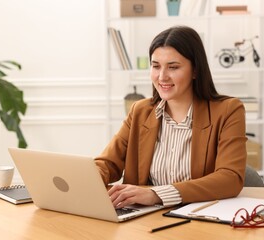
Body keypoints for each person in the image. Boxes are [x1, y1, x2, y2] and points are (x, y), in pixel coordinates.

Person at [94, 25, 247, 209]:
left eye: (173, 67)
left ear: (196, 70)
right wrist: (85, 178)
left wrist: (156, 194)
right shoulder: (140, 111)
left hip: (199, 219)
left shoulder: (228, 110)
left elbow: (230, 178)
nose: (162, 77)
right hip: (145, 219)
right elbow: (108, 163)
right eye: (156, 66)